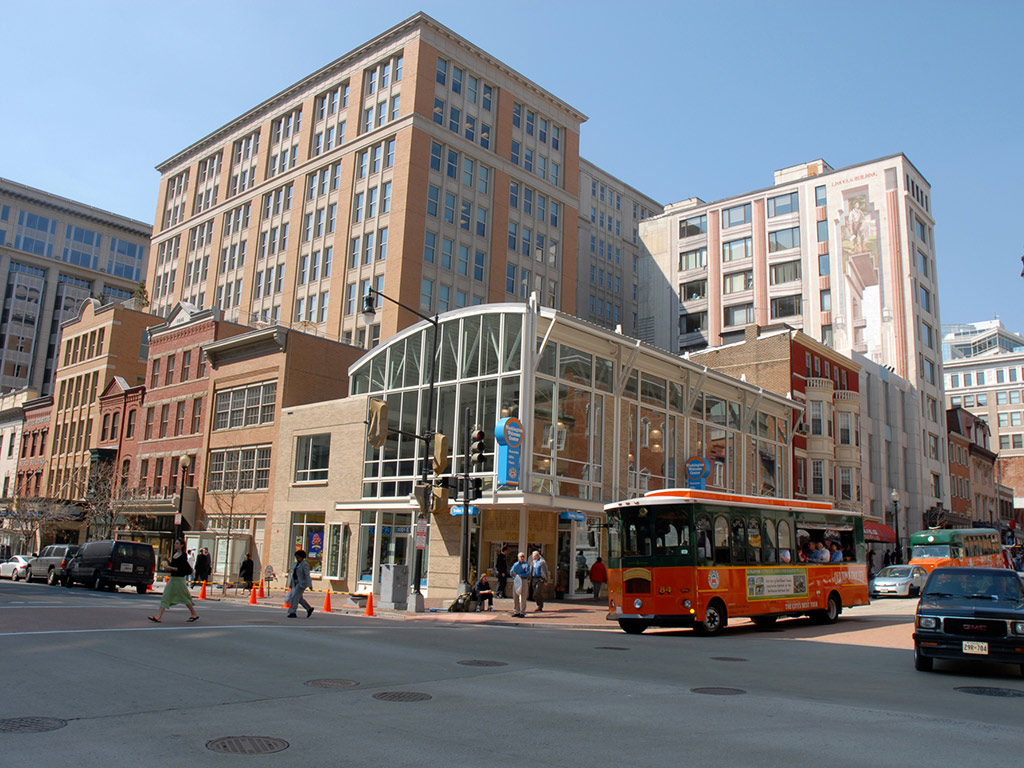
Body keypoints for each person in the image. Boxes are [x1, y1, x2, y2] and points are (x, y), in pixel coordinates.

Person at [148, 539, 199, 623]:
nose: (175, 545)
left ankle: (194, 613)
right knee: (166, 595)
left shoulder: (183, 555)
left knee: (184, 597)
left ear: (182, 545)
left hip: (179, 579)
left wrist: (170, 568)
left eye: (177, 543)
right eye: (175, 543)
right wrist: (167, 561)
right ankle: (158, 617)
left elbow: (181, 569)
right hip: (173, 579)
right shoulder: (175, 554)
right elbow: (174, 565)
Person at [286, 549, 314, 618]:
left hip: (301, 584)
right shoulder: (296, 564)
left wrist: (310, 585)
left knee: (295, 597)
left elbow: (307, 575)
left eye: (299, 557)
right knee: (299, 598)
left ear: (302, 557)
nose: (297, 559)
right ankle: (309, 608)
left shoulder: (305, 565)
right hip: (295, 583)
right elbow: (292, 574)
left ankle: (292, 612)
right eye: (297, 557)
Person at [509, 551, 530, 617]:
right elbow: (511, 572)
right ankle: (516, 611)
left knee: (523, 596)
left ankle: (522, 612)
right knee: (515, 596)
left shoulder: (526, 565)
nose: (522, 558)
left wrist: (520, 574)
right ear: (518, 557)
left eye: (523, 556)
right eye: (521, 557)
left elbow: (528, 573)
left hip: (523, 580)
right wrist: (513, 574)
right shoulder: (515, 564)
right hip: (516, 581)